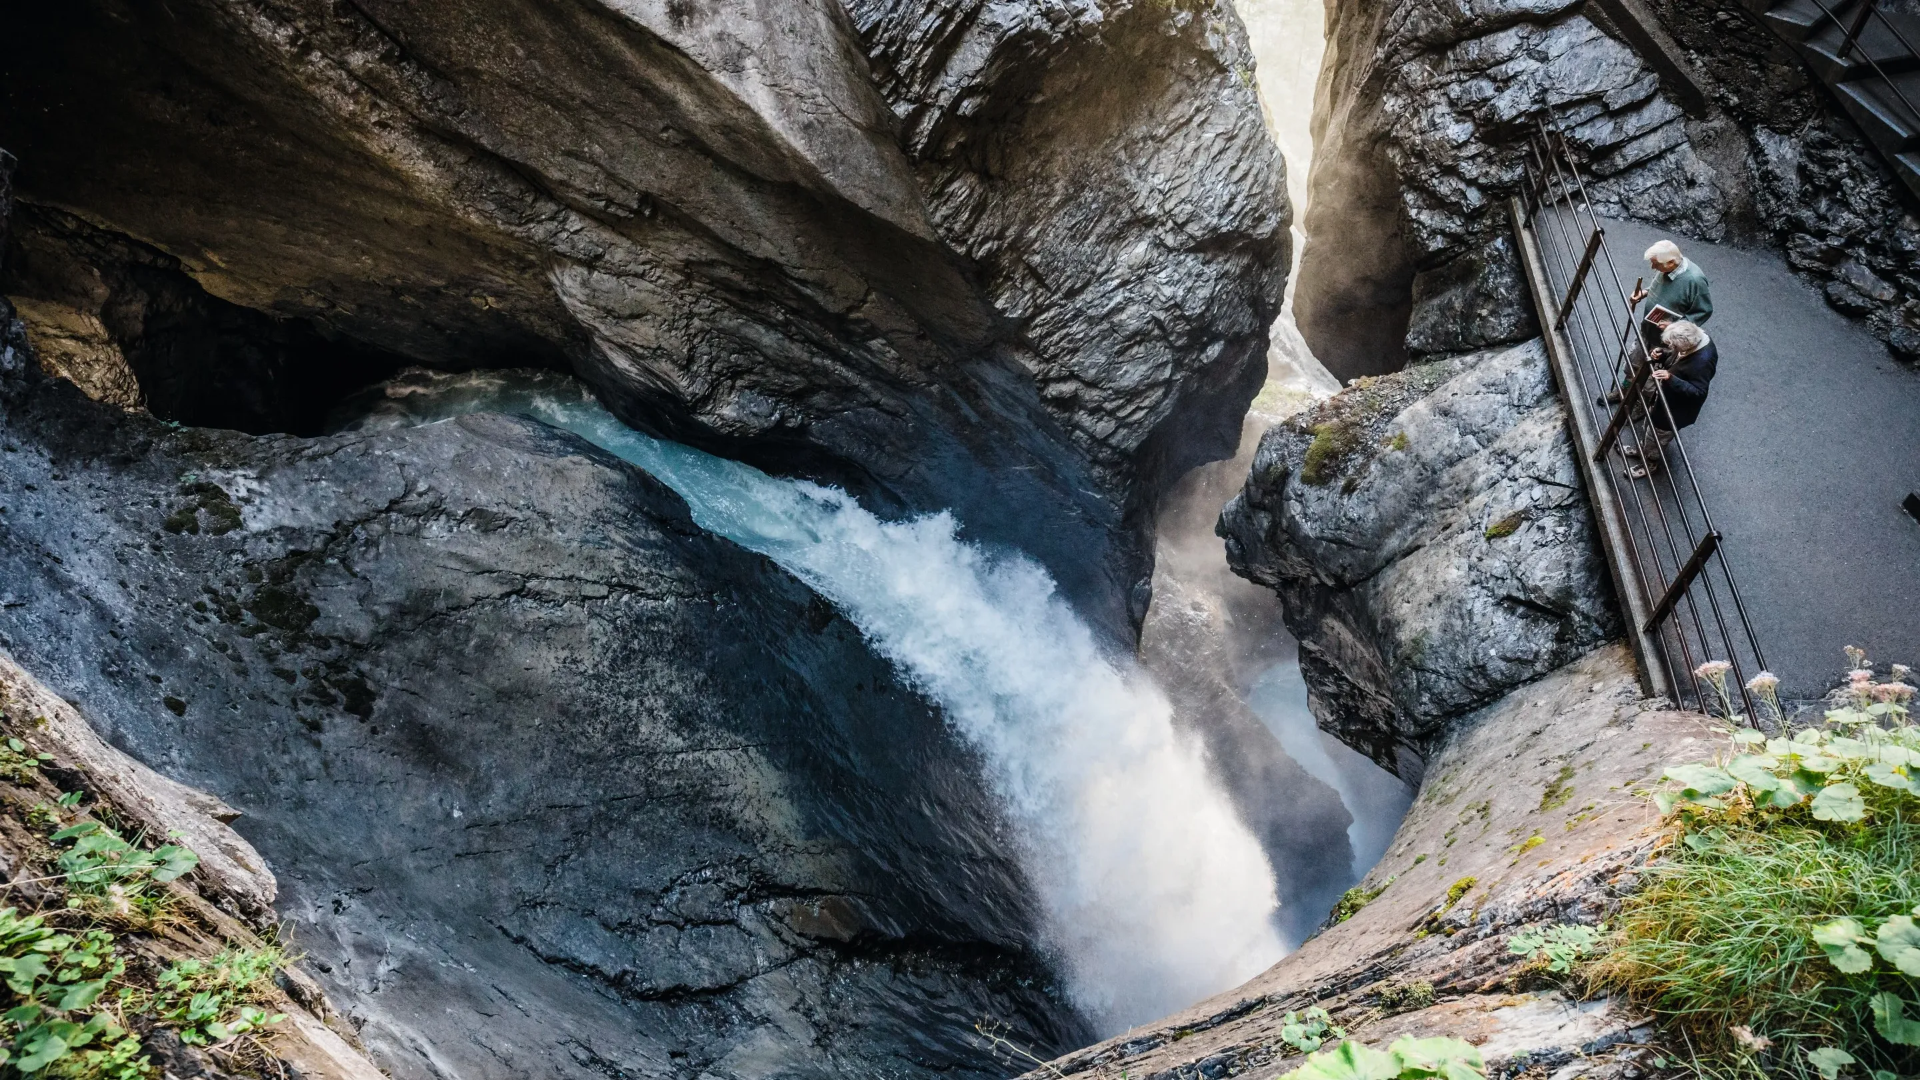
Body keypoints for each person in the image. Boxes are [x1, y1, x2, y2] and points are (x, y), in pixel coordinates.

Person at [1626, 319, 1716, 479]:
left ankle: (1650, 462)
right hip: (1663, 400)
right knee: (1650, 428)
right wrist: (1663, 354)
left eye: (1673, 346)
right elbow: (1677, 355)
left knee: (1657, 436)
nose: (1672, 348)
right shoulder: (1695, 339)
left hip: (1674, 409)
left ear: (1687, 345)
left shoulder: (1703, 362)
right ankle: (1644, 449)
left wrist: (1671, 378)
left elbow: (1699, 392)